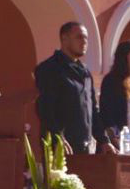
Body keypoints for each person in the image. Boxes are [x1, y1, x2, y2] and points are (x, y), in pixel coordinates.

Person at [34, 21, 101, 154]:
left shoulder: (85, 72)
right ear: (64, 39)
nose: (84, 42)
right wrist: (58, 138)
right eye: (79, 37)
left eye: (86, 38)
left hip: (85, 149)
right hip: (61, 149)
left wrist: (104, 140)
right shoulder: (49, 68)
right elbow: (46, 108)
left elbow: (93, 109)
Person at [99, 39, 130, 153]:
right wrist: (117, 141)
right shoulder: (112, 81)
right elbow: (107, 114)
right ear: (123, 58)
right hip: (122, 141)